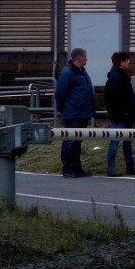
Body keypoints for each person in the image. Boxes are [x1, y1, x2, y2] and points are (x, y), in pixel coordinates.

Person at [54, 47, 94, 178]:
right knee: (70, 140)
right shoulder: (67, 72)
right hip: (73, 112)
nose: (87, 59)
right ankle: (67, 168)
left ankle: (77, 168)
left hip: (82, 112)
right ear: (79, 57)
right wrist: (63, 108)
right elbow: (60, 93)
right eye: (85, 56)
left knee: (78, 141)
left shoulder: (82, 72)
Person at [104, 51, 135, 177]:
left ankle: (130, 166)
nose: (128, 62)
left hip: (125, 115)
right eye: (127, 60)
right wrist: (126, 112)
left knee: (127, 141)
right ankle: (111, 167)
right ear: (121, 62)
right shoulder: (117, 77)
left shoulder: (120, 76)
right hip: (120, 116)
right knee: (116, 140)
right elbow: (117, 98)